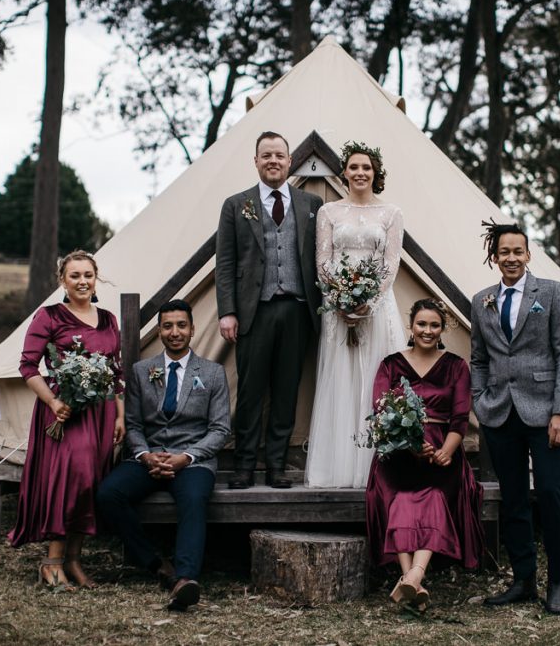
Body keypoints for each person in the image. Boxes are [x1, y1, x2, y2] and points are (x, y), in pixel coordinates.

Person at [96, 299, 230, 610]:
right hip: (149, 457)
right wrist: (145, 455)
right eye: (167, 326)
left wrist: (187, 457)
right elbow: (133, 424)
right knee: (108, 494)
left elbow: (220, 429)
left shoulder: (212, 373)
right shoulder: (142, 370)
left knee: (194, 499)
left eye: (181, 325)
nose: (175, 332)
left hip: (192, 461)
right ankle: (157, 565)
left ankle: (185, 579)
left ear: (192, 329)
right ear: (159, 331)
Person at [470, 222, 560, 615]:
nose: (511, 258)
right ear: (494, 257)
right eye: (504, 252)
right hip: (499, 414)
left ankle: (557, 583)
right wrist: (480, 401)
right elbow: (479, 358)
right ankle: (523, 580)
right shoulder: (481, 300)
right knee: (513, 499)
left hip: (544, 413)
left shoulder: (550, 292)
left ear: (528, 254)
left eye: (518, 251)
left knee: (550, 493)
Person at [9, 250, 125, 590]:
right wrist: (53, 401)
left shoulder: (109, 320)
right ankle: (52, 562)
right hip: (65, 412)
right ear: (63, 280)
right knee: (72, 481)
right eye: (75, 275)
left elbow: (116, 372)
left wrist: (120, 416)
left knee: (91, 483)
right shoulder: (49, 316)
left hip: (102, 413)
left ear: (96, 278)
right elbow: (27, 366)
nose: (82, 281)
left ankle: (74, 560)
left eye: (88, 274)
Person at [216, 131, 323, 489]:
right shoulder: (236, 204)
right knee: (250, 391)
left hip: (298, 310)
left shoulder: (311, 204)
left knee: (286, 390)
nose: (273, 161)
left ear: (290, 161)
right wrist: (227, 311)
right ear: (256, 161)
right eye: (266, 155)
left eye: (279, 155)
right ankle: (244, 465)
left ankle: (276, 465)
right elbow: (225, 263)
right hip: (253, 311)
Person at [365, 299, 485, 610]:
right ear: (411, 326)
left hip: (443, 451)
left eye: (434, 325)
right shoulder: (391, 365)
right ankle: (413, 580)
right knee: (399, 497)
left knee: (434, 496)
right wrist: (411, 445)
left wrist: (446, 451)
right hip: (399, 452)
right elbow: (380, 411)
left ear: (442, 329)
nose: (427, 331)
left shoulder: (456, 366)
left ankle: (410, 578)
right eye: (421, 324)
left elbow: (460, 419)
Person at [304, 141, 405, 488]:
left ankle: (376, 466)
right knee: (341, 380)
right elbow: (323, 261)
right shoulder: (329, 212)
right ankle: (339, 468)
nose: (360, 173)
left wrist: (368, 302)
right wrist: (341, 300)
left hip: (378, 308)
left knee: (377, 378)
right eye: (354, 167)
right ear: (344, 173)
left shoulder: (391, 213)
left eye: (366, 168)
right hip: (338, 310)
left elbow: (391, 264)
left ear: (375, 174)